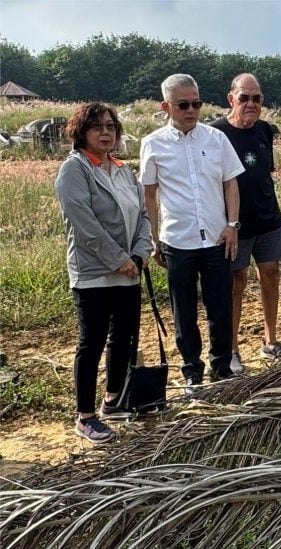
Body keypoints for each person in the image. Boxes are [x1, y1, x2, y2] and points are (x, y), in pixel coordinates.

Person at [140, 73, 245, 389]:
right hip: (178, 240)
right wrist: (154, 239)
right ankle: (191, 371)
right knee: (184, 311)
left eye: (196, 103)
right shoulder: (153, 144)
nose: (191, 110)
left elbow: (231, 182)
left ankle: (222, 368)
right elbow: (149, 193)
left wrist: (232, 226)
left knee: (220, 307)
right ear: (166, 106)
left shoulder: (216, 139)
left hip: (216, 237)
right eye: (183, 104)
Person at [55, 102, 152, 443]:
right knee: (91, 341)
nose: (106, 132)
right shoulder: (75, 170)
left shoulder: (123, 170)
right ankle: (84, 416)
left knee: (124, 337)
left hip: (129, 270)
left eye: (111, 126)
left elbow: (143, 215)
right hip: (94, 272)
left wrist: (140, 253)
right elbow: (84, 224)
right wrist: (118, 259)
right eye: (98, 127)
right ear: (82, 133)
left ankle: (113, 400)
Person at [211, 73, 281, 374]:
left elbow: (265, 171)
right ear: (231, 99)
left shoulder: (265, 131)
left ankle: (270, 340)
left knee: (270, 274)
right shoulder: (216, 133)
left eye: (257, 98)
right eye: (244, 98)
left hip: (268, 217)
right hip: (235, 223)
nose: (251, 104)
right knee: (236, 282)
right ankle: (232, 349)